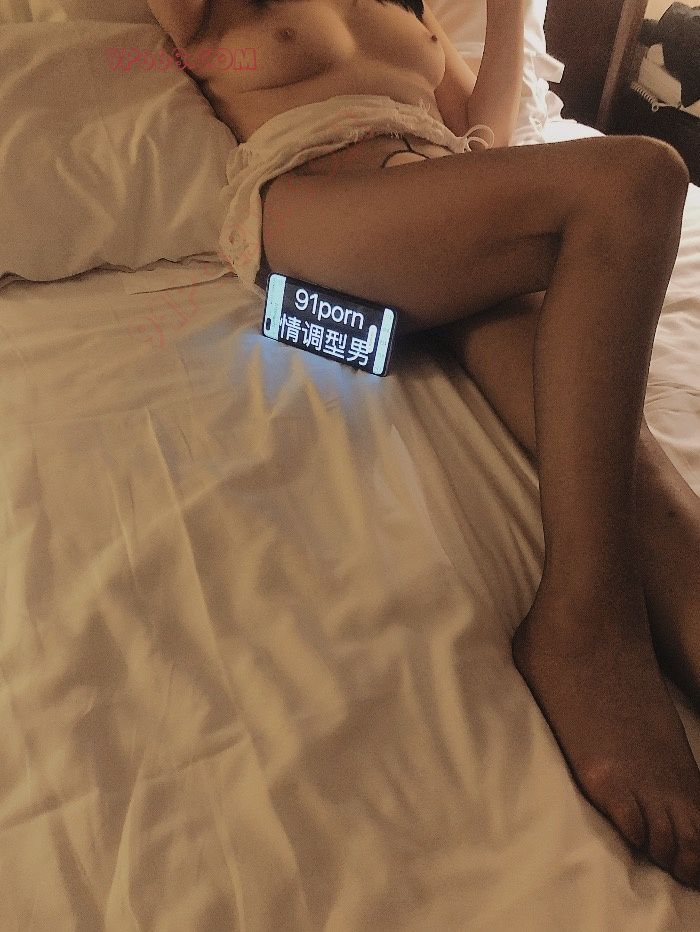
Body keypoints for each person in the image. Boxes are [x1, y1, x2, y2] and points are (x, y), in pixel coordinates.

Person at [148, 0, 700, 889]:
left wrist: (509, 16)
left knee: (617, 453)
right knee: (638, 180)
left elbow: (485, 137)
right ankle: (585, 620)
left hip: (447, 228)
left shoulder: (408, 14)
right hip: (318, 221)